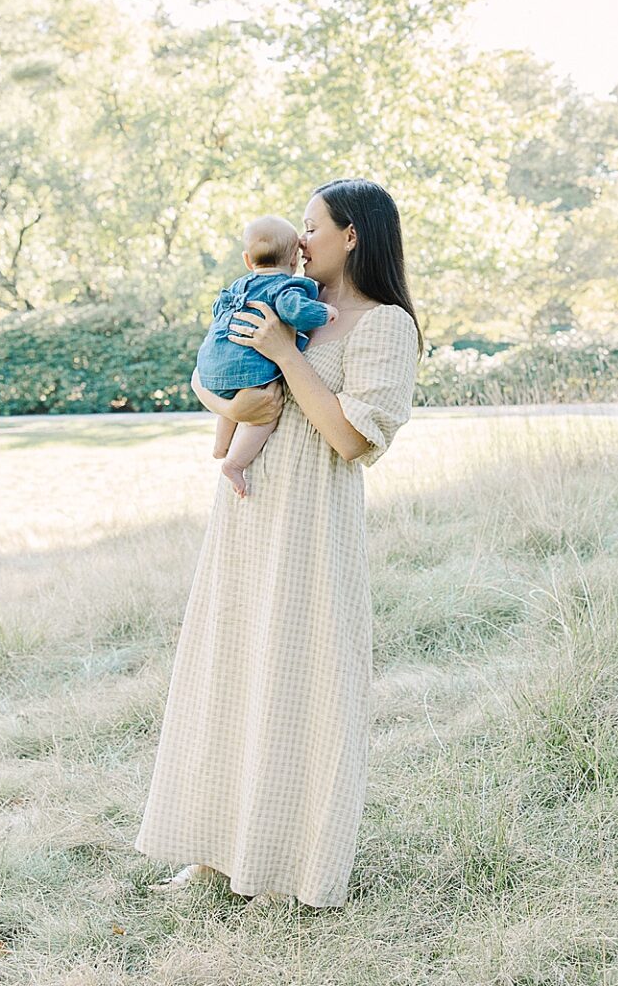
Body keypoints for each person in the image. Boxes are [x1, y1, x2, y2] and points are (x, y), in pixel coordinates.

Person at [132, 177, 426, 909]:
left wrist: (286, 356)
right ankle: (213, 852)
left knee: (299, 688)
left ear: (352, 234)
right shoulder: (271, 299)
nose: (300, 240)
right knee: (229, 670)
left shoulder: (382, 325)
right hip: (248, 512)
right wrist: (233, 399)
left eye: (312, 227)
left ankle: (282, 865)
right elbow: (209, 379)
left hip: (311, 526)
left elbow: (355, 440)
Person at [196, 214, 337, 498]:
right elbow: (294, 310)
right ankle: (234, 463)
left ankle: (220, 446)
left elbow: (217, 309)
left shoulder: (238, 286)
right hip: (249, 368)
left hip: (211, 363)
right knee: (262, 417)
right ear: (294, 262)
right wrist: (325, 313)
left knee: (234, 399)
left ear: (248, 261)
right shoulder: (286, 287)